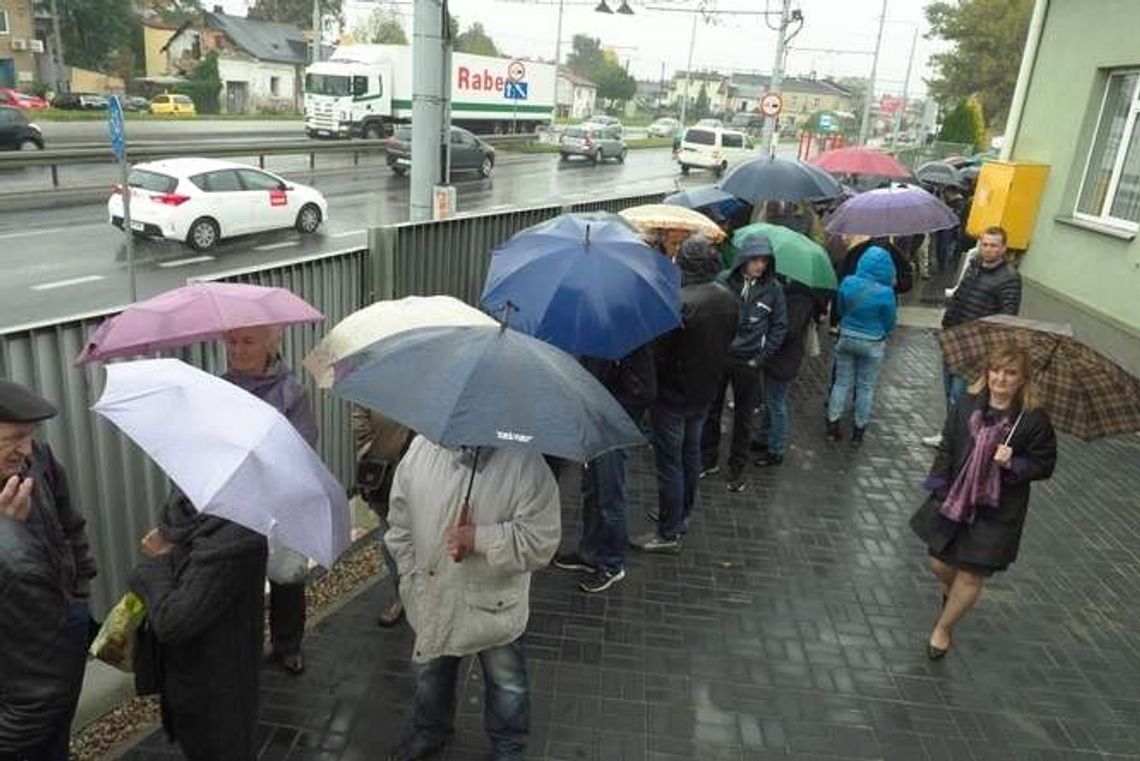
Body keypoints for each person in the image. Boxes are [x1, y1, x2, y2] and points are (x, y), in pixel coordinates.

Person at [384, 439, 560, 761]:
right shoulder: (421, 448)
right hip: (433, 597)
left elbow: (540, 541)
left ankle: (509, 748)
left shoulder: (527, 464)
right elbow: (399, 522)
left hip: (494, 604)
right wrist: (408, 574)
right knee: (430, 674)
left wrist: (477, 537)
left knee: (507, 684)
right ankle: (429, 731)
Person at [909, 345, 1056, 659]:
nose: (1001, 378)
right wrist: (937, 488)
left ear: (1023, 379)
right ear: (987, 372)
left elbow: (1044, 465)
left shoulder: (1033, 419)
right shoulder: (966, 405)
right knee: (939, 563)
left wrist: (1014, 463)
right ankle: (953, 594)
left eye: (1010, 373)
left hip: (997, 509)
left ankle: (943, 629)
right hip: (955, 498)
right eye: (996, 370)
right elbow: (947, 447)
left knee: (971, 574)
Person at [130, 491, 268, 761]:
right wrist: (171, 548)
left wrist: (154, 567)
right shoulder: (184, 509)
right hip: (184, 676)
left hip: (220, 688)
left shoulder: (239, 535)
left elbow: (173, 621)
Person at [0, 382, 95, 761]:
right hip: (12, 645)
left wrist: (80, 592)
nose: (26, 449)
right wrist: (7, 534)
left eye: (30, 435)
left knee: (55, 724)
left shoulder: (39, 459)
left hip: (64, 613)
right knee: (26, 728)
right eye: (14, 438)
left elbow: (71, 523)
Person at [222, 325, 318, 675]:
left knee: (286, 574)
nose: (238, 349)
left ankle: (287, 644)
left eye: (248, 341)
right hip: (236, 497)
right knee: (240, 577)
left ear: (271, 344)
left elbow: (304, 443)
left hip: (281, 496)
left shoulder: (290, 391)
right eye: (232, 341)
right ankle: (244, 647)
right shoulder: (221, 388)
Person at [634, 234, 738, 552]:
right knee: (690, 455)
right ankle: (682, 514)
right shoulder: (727, 298)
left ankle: (668, 531)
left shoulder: (680, 302)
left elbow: (658, 351)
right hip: (704, 391)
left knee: (670, 462)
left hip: (672, 396)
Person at [553, 342, 655, 593]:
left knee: (610, 496)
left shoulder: (628, 344)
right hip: (593, 423)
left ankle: (611, 562)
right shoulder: (594, 340)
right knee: (592, 489)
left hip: (610, 427)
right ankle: (590, 552)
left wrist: (609, 408)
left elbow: (644, 391)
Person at [702, 234, 787, 491]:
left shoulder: (773, 288)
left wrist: (760, 358)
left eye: (764, 261)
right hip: (721, 358)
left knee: (744, 418)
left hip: (749, 362)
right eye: (755, 260)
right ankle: (708, 460)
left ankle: (737, 469)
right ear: (744, 258)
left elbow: (780, 326)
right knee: (711, 410)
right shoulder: (723, 280)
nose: (760, 265)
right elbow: (709, 313)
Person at [922, 226, 1021, 448]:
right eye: (984, 244)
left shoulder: (1009, 278)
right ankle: (949, 433)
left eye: (993, 245)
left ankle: (957, 438)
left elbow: (1007, 317)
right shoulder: (974, 266)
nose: (988, 249)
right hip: (954, 340)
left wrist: (991, 346)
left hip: (977, 348)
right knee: (949, 390)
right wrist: (946, 326)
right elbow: (959, 298)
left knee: (961, 394)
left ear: (1003, 248)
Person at [825, 245, 898, 444]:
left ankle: (833, 425)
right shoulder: (887, 293)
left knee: (841, 383)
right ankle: (858, 431)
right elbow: (890, 322)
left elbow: (840, 308)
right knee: (866, 387)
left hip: (847, 337)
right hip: (872, 342)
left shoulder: (848, 282)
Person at [754, 281, 826, 466]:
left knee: (776, 403)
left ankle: (776, 449)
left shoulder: (798, 300)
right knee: (770, 400)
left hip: (782, 359)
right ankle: (763, 437)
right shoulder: (798, 297)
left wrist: (768, 329)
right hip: (782, 357)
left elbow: (787, 331)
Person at [353, 406, 412, 625]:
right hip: (386, 472)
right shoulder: (376, 385)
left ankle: (425, 598)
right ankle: (401, 596)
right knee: (390, 541)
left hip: (425, 473)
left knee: (426, 539)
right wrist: (370, 450)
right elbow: (360, 416)